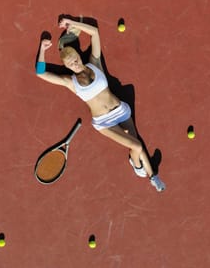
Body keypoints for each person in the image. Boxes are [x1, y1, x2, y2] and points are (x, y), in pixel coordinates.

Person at [35, 17, 166, 192]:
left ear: (78, 56)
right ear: (66, 66)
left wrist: (72, 23)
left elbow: (94, 32)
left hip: (121, 111)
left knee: (136, 142)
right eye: (69, 64)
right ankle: (153, 177)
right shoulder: (70, 82)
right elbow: (40, 73)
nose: (74, 64)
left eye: (74, 59)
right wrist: (42, 49)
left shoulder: (95, 63)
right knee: (137, 146)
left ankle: (138, 166)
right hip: (104, 123)